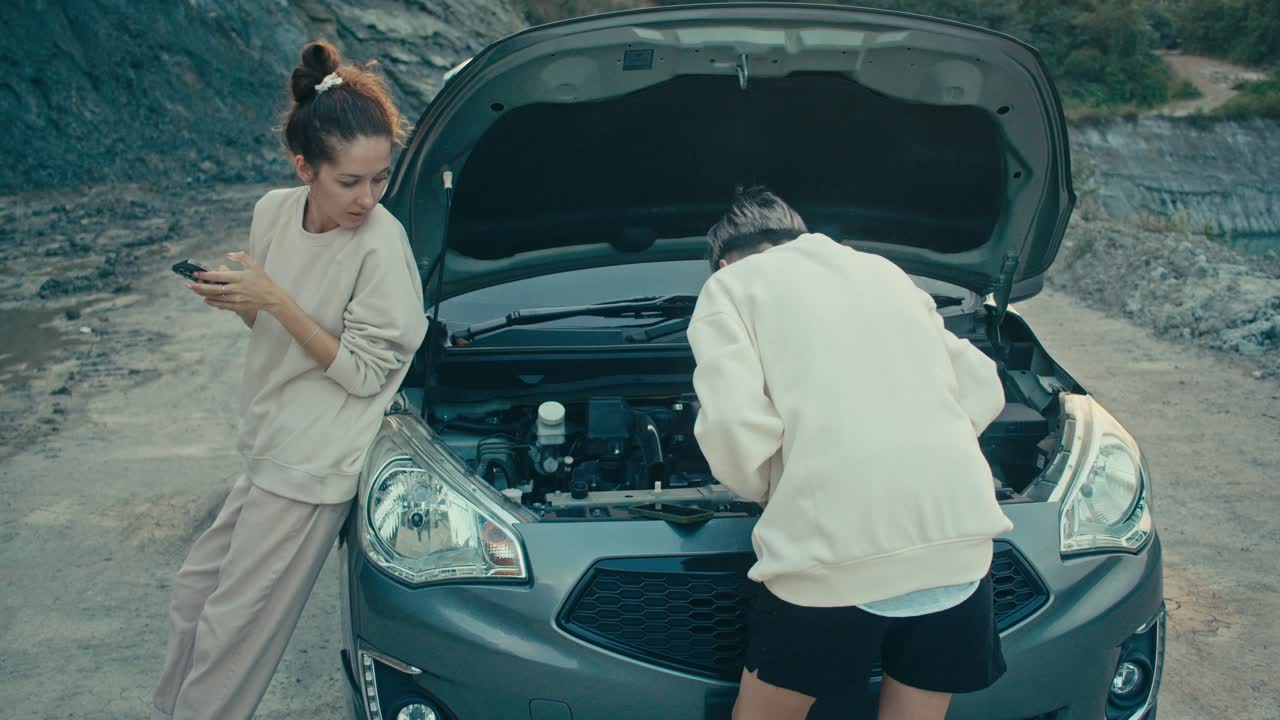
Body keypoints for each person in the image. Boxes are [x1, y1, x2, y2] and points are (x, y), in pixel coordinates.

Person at [151, 40, 426, 720]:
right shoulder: (275, 211)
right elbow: (277, 334)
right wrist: (248, 302)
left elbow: (364, 373)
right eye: (348, 182)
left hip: (315, 463)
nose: (367, 198)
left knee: (233, 632)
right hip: (270, 440)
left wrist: (275, 301)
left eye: (379, 179)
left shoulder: (382, 245)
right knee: (195, 597)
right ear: (303, 167)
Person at [688, 187, 1014, 720]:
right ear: (800, 234)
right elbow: (981, 387)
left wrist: (767, 489)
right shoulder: (883, 272)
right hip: (960, 544)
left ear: (723, 261)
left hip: (832, 555)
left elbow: (733, 423)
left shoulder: (731, 286)